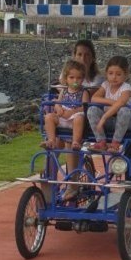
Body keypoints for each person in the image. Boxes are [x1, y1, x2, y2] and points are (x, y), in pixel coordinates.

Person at [42, 60, 90, 201]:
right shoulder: (63, 90)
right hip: (64, 117)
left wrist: (73, 111)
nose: (75, 81)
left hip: (75, 116)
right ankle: (51, 139)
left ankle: (75, 141)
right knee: (49, 117)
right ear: (66, 78)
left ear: (83, 79)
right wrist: (59, 109)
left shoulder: (84, 91)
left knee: (79, 118)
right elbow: (57, 103)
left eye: (78, 78)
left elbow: (85, 107)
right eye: (72, 78)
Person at [87, 56, 131, 153]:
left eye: (118, 74)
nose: (114, 77)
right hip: (110, 120)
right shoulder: (106, 85)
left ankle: (116, 142)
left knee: (124, 110)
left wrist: (104, 118)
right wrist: (112, 102)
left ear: (125, 75)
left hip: (125, 122)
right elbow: (94, 98)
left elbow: (120, 104)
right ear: (106, 73)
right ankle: (101, 141)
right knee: (92, 109)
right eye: (111, 73)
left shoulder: (127, 88)